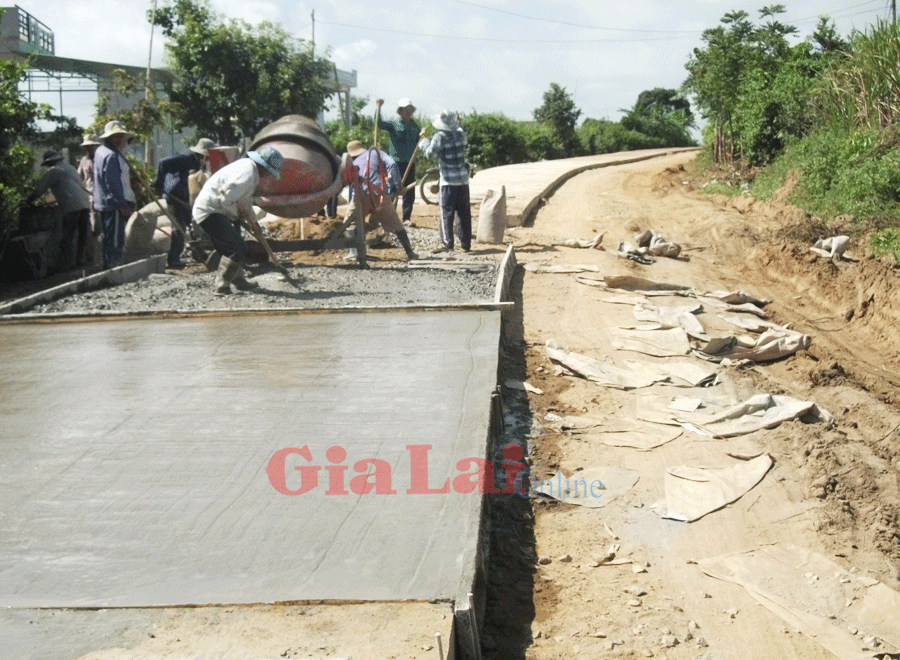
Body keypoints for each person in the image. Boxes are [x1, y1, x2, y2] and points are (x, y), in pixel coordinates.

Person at [192, 145, 284, 294]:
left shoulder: (251, 172)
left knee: (229, 248)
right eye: (270, 172)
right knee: (237, 248)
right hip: (210, 211)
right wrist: (235, 216)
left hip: (219, 209)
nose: (269, 176)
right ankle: (221, 284)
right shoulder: (247, 173)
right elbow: (226, 199)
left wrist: (254, 223)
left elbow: (244, 201)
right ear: (265, 168)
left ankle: (238, 280)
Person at [343, 140, 418, 262]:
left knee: (350, 222)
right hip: (380, 194)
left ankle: (354, 253)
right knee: (396, 223)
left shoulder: (353, 162)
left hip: (360, 195)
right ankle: (410, 253)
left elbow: (351, 185)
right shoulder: (377, 153)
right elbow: (392, 165)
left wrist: (353, 204)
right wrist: (399, 186)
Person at [153, 137, 217, 268]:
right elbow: (163, 163)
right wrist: (159, 183)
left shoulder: (199, 164)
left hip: (184, 201)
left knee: (192, 226)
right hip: (173, 198)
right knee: (179, 228)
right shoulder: (187, 159)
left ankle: (198, 253)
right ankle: (173, 260)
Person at [27, 150, 91, 270]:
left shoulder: (53, 171)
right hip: (85, 203)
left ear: (49, 163)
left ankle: (69, 264)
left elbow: (40, 190)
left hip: (71, 207)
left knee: (66, 238)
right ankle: (80, 260)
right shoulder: (70, 168)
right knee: (82, 235)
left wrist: (29, 200)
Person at [420, 110, 471, 252]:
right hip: (463, 180)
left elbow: (431, 154)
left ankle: (448, 243)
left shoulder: (440, 136)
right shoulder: (460, 134)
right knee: (464, 213)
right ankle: (466, 244)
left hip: (448, 181)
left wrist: (424, 142)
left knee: (446, 212)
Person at [92, 120, 136, 269]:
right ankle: (114, 268)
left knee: (107, 238)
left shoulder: (100, 151)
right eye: (115, 136)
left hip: (102, 203)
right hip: (113, 204)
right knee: (116, 240)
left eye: (121, 136)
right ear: (108, 137)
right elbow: (113, 183)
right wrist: (122, 204)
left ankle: (107, 266)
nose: (119, 140)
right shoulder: (111, 156)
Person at [376, 97, 420, 224]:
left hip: (410, 162)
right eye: (406, 109)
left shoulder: (416, 128)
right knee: (392, 189)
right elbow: (379, 124)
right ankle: (390, 217)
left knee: (409, 192)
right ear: (400, 111)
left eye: (410, 109)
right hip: (395, 163)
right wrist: (378, 108)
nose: (408, 111)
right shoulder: (394, 125)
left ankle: (406, 218)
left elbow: (420, 142)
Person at [76, 133, 102, 267]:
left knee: (103, 227)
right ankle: (94, 256)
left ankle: (102, 255)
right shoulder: (84, 161)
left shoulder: (102, 159)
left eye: (92, 146)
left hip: (103, 197)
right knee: (94, 228)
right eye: (88, 146)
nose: (90, 148)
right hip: (90, 197)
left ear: (97, 146)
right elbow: (79, 178)